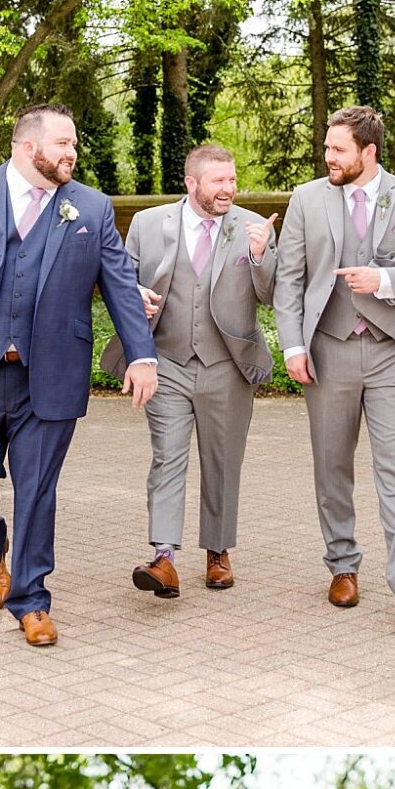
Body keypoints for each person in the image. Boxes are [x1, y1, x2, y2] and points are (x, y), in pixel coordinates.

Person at [0, 104, 158, 647]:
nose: (72, 153)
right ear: (26, 147)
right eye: (62, 143)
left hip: (52, 371)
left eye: (74, 144)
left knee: (38, 489)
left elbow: (118, 281)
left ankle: (32, 599)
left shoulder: (91, 205)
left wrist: (141, 354)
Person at [273, 107, 395, 621]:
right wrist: (292, 346)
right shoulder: (306, 199)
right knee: (332, 466)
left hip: (393, 351)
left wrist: (385, 282)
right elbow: (290, 279)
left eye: (338, 150)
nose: (328, 157)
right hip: (327, 349)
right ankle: (343, 566)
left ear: (368, 153)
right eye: (327, 148)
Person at [101, 144, 277, 596]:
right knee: (167, 458)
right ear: (192, 183)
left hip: (228, 367)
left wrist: (260, 257)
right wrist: (133, 294)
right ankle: (163, 556)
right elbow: (122, 283)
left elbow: (273, 295)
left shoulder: (253, 229)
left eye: (233, 180)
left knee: (222, 463)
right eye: (219, 181)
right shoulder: (147, 223)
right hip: (167, 363)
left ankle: (218, 552)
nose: (229, 189)